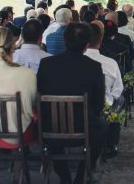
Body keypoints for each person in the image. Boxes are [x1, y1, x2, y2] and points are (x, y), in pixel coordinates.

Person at [37, 23, 106, 183]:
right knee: (103, 126)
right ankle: (81, 174)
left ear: (64, 39)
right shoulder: (93, 67)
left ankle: (64, 176)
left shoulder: (47, 64)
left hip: (50, 130)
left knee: (49, 121)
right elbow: (98, 106)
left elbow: (38, 96)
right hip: (84, 128)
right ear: (87, 43)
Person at [83, 22, 124, 158]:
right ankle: (111, 144)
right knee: (119, 100)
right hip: (100, 111)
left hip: (72, 114)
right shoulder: (110, 63)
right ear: (100, 41)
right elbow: (118, 90)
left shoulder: (71, 63)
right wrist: (110, 100)